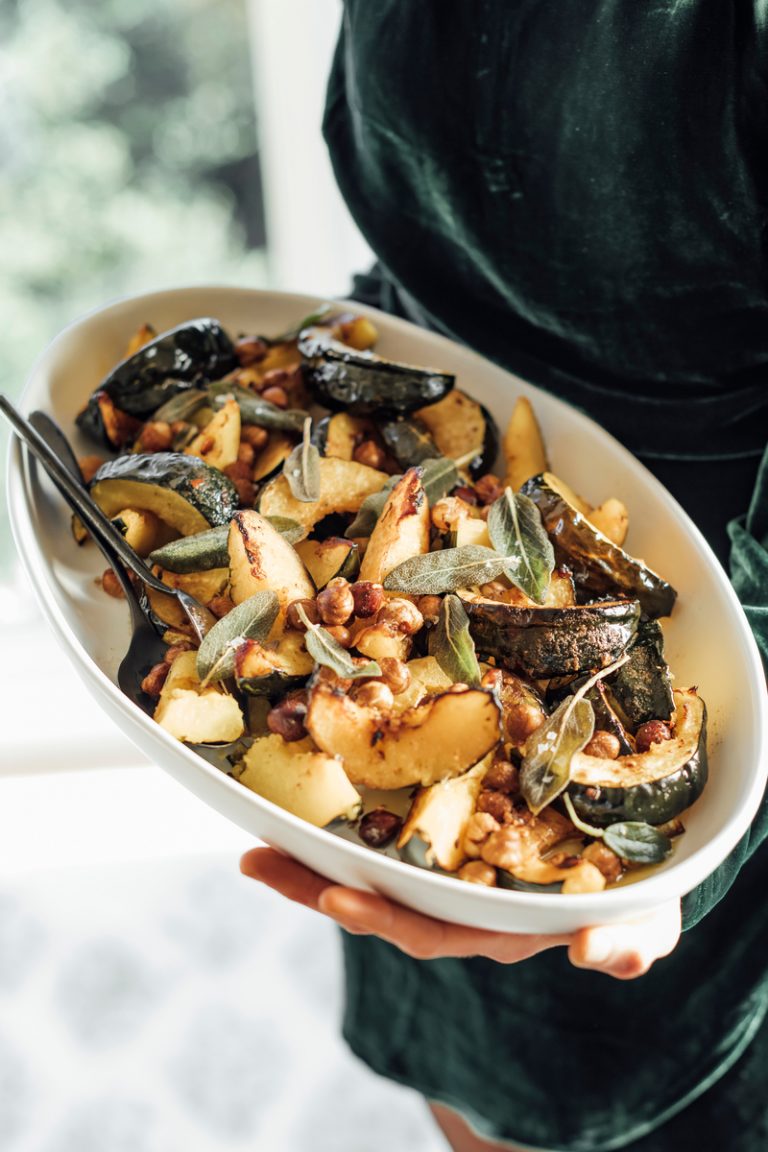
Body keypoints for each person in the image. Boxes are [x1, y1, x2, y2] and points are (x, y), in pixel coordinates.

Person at [242, 4, 768, 1149]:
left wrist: (699, 827)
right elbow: (424, 246)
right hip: (407, 560)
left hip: (695, 665)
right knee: (476, 1090)